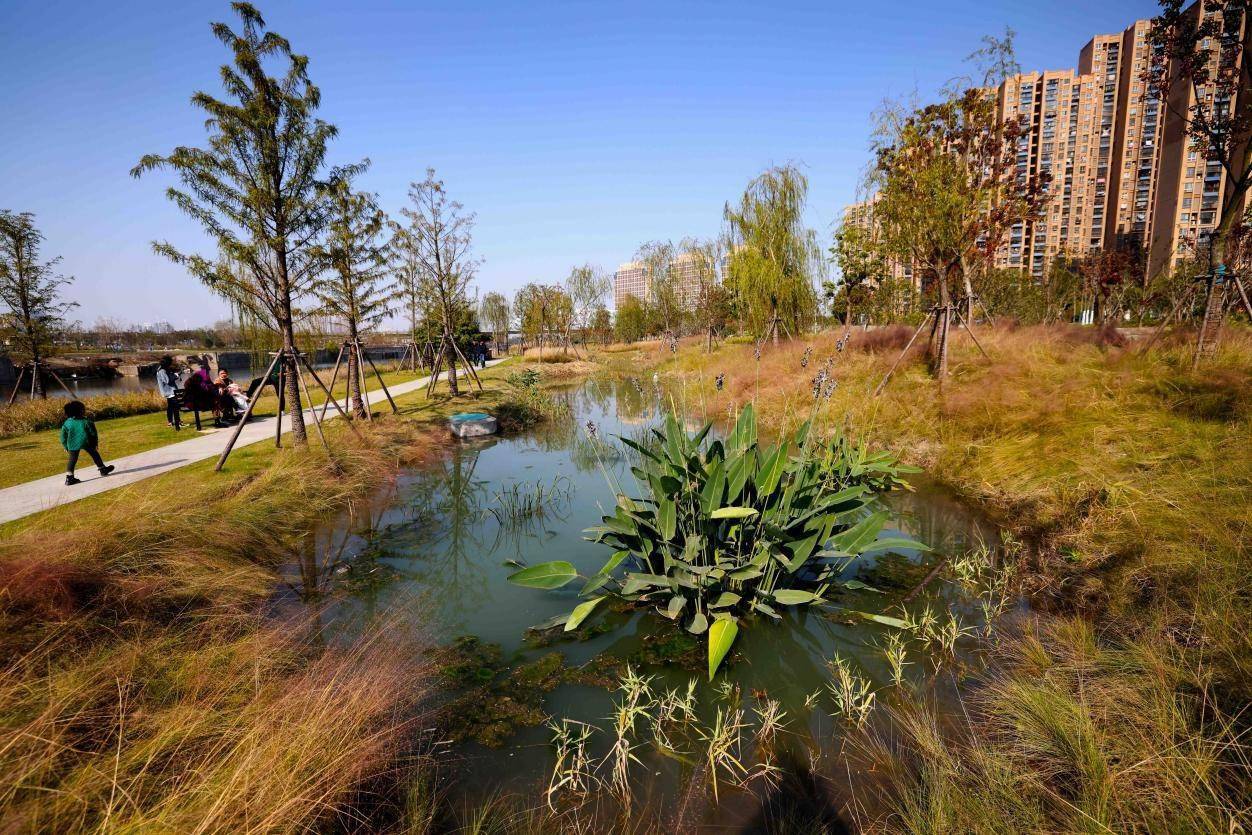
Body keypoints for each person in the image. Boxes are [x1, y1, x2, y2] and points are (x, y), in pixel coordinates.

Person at [60, 400, 114, 485]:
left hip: (72, 444)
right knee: (95, 454)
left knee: (72, 459)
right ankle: (102, 469)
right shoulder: (87, 421)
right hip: (87, 442)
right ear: (81, 411)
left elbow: (63, 437)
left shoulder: (67, 423)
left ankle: (69, 478)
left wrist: (65, 446)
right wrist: (95, 443)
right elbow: (93, 434)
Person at [156, 354, 182, 431]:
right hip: (170, 391)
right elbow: (167, 380)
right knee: (175, 407)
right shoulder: (162, 371)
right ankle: (178, 422)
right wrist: (176, 375)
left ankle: (170, 422)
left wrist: (174, 374)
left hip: (169, 392)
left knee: (170, 407)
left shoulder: (163, 370)